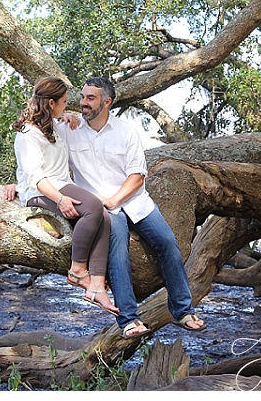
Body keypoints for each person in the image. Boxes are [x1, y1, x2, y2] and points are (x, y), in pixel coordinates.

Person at [60, 77, 206, 339]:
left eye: (90, 98)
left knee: (168, 243)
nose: (83, 103)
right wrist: (21, 183)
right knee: (118, 252)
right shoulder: (69, 129)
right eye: (82, 97)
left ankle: (183, 310)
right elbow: (38, 143)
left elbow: (137, 175)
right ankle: (129, 319)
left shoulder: (126, 132)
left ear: (107, 102)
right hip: (100, 209)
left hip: (134, 202)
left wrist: (115, 200)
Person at [11, 77, 118, 316]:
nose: (67, 106)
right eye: (63, 102)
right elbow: (35, 177)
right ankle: (78, 269)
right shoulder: (27, 135)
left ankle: (98, 286)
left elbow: (64, 128)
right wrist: (60, 199)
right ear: (51, 103)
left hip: (60, 185)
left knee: (105, 217)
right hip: (42, 192)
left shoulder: (54, 127)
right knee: (92, 205)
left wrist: (67, 119)